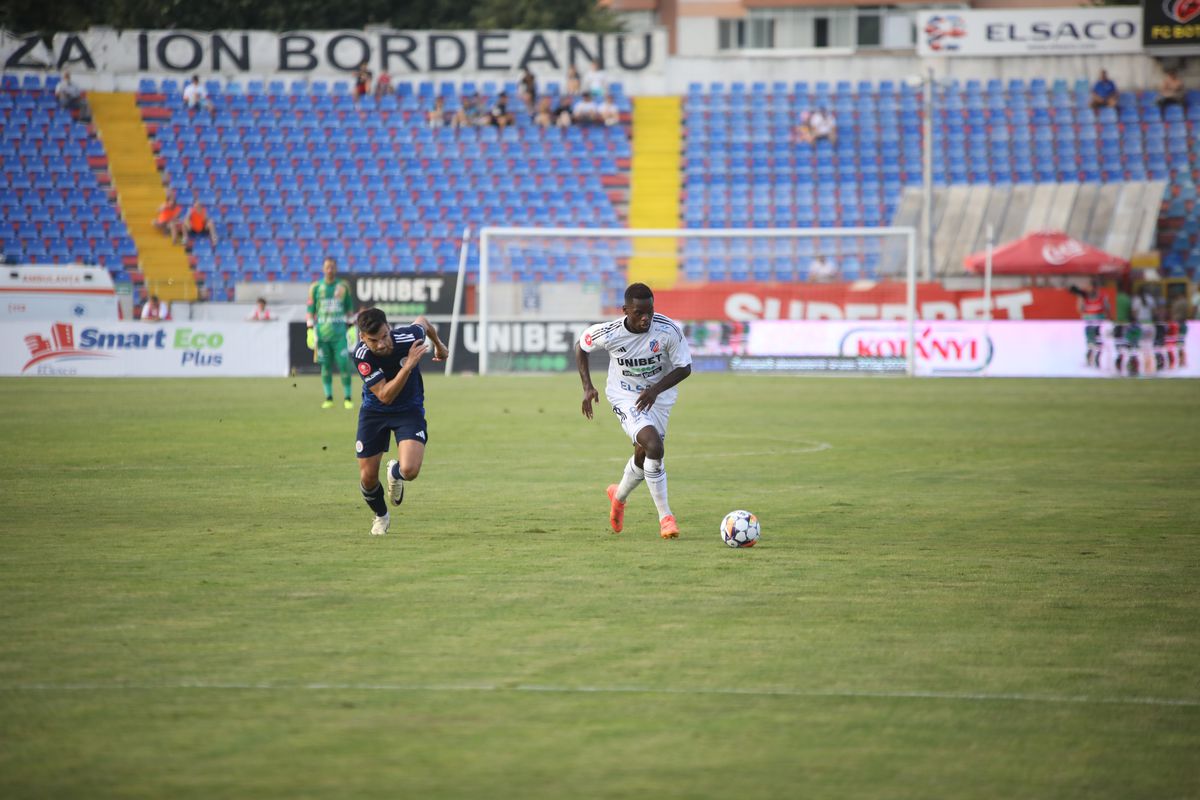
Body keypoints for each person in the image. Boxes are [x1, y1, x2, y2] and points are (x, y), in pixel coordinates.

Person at [575, 283, 693, 539]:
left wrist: (654, 391)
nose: (645, 318)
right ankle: (666, 518)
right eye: (639, 312)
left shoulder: (668, 330)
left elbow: (684, 367)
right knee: (655, 447)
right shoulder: (610, 332)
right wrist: (587, 387)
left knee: (644, 454)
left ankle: (618, 498)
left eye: (649, 311)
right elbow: (581, 346)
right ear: (625, 310)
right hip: (625, 394)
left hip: (658, 397)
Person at [350, 307, 448, 536]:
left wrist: (439, 346)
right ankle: (381, 516)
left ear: (389, 327)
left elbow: (423, 321)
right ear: (362, 338)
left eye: (385, 335)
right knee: (368, 477)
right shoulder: (362, 355)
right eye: (374, 340)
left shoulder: (408, 337)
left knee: (410, 470)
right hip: (375, 412)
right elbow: (384, 395)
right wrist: (408, 366)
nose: (382, 344)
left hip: (409, 410)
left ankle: (395, 472)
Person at [307, 257, 356, 409]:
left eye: (332, 267)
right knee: (326, 367)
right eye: (327, 267)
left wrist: (352, 327)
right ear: (323, 269)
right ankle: (328, 398)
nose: (330, 269)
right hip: (322, 335)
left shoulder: (343, 287)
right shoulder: (316, 288)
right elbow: (310, 311)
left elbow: (349, 309)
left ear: (335, 269)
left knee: (344, 365)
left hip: (339, 334)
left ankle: (347, 398)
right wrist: (309, 330)